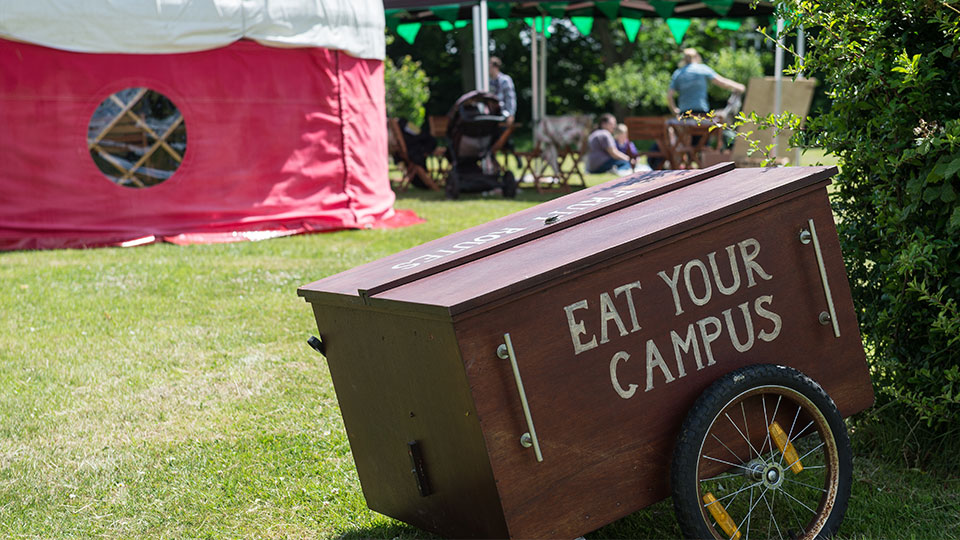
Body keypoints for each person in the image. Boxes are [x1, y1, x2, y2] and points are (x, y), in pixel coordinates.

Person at [666, 48, 746, 117]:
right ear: (697, 57)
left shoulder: (678, 73)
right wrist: (738, 86)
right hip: (701, 113)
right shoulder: (702, 69)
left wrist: (675, 110)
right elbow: (721, 82)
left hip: (684, 114)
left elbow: (669, 96)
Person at [488, 57, 516, 122]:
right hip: (491, 115)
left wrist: (511, 114)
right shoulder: (488, 81)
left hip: (503, 115)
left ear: (495, 67)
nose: (488, 69)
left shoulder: (505, 80)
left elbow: (510, 98)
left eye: (489, 67)